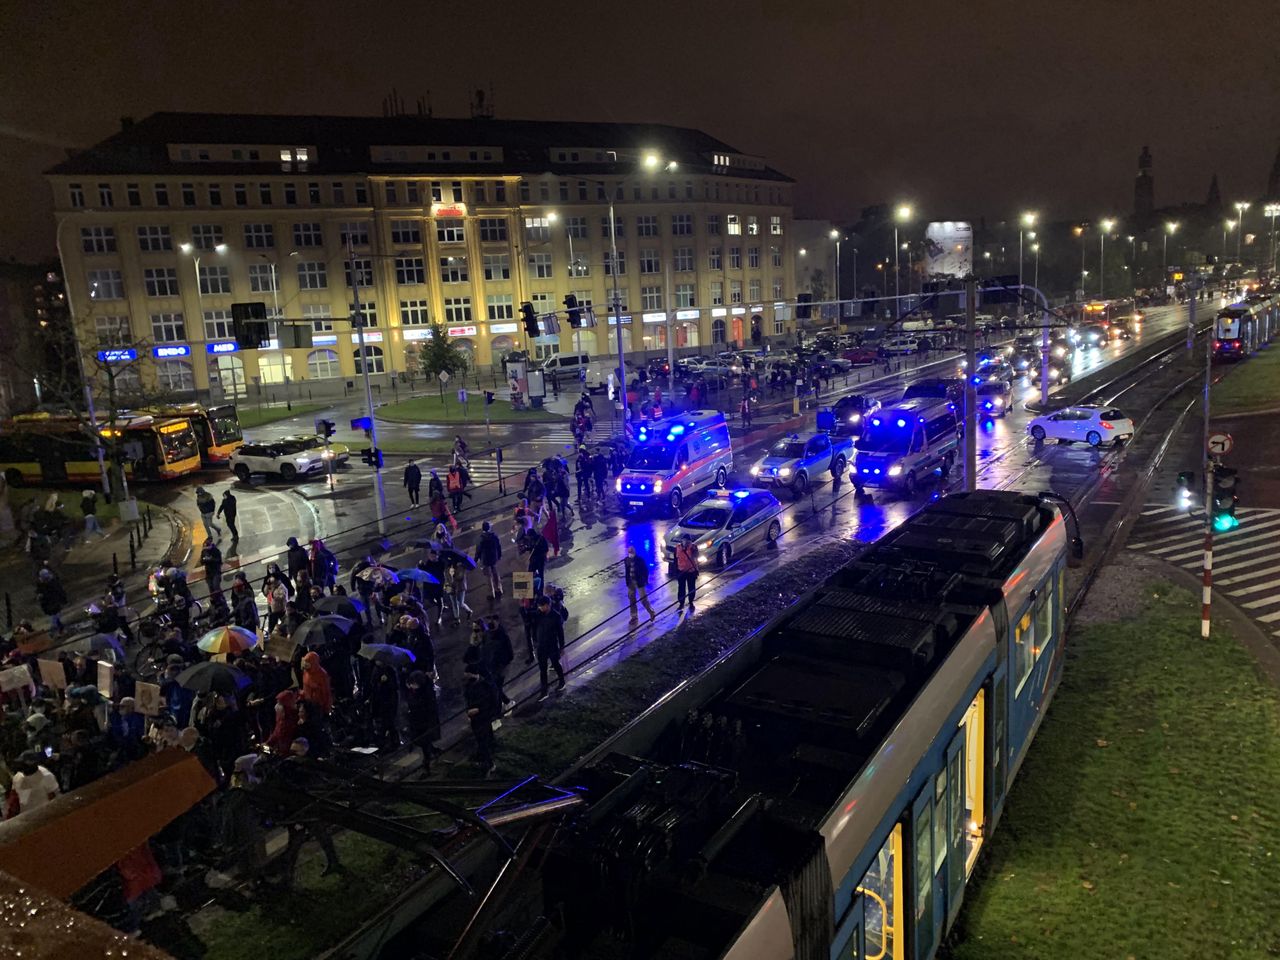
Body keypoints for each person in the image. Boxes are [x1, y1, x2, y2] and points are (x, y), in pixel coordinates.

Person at [463, 662, 500, 775]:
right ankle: (486, 758)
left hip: (483, 717)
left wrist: (478, 710)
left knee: (483, 740)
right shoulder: (470, 685)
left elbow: (490, 702)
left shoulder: (484, 686)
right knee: (483, 739)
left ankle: (489, 763)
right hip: (477, 718)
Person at [532, 595, 566, 702]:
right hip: (541, 647)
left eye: (542, 606)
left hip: (552, 646)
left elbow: (560, 633)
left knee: (555, 664)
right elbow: (533, 626)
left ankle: (562, 681)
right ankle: (544, 691)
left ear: (547, 605)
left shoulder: (556, 616)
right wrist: (535, 641)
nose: (540, 608)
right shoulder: (538, 615)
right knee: (542, 669)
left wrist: (562, 647)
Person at [404, 670, 440, 770]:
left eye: (414, 684)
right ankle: (433, 752)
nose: (412, 685)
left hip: (424, 723)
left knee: (425, 744)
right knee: (423, 743)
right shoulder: (415, 691)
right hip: (417, 722)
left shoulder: (426, 693)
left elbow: (426, 707)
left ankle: (427, 766)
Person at [478, 617, 515, 712]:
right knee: (495, 688)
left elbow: (510, 654)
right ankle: (505, 703)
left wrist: (502, 663)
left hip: (499, 667)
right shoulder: (488, 635)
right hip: (492, 667)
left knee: (496, 687)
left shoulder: (502, 637)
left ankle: (504, 706)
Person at [624, 545, 657, 622]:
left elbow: (645, 571)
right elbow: (627, 572)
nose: (630, 554)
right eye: (629, 552)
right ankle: (634, 616)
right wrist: (627, 582)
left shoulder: (639, 560)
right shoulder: (626, 560)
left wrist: (645, 580)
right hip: (631, 582)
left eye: (631, 552)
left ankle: (651, 612)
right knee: (632, 599)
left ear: (634, 552)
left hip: (639, 582)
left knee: (643, 600)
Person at [474, 520, 503, 599]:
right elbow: (498, 547)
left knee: (488, 577)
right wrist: (499, 555)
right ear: (489, 528)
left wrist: (475, 560)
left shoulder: (480, 539)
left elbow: (478, 551)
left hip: (485, 560)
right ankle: (499, 589)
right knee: (496, 574)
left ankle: (491, 593)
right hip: (494, 558)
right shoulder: (494, 536)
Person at [35, 567, 66, 635]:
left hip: (53, 603)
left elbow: (58, 591)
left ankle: (55, 630)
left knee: (55, 617)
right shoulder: (43, 584)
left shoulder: (51, 582)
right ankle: (60, 629)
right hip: (49, 603)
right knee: (55, 616)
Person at [300, 651, 333, 715]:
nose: (305, 664)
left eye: (308, 662)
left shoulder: (322, 675)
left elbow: (326, 692)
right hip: (308, 702)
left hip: (318, 705)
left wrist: (327, 706)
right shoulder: (306, 672)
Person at [675, 535, 700, 611]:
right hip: (681, 571)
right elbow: (675, 559)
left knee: (691, 587)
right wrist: (675, 570)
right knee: (681, 588)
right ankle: (681, 603)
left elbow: (696, 556)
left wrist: (692, 548)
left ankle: (691, 602)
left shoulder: (693, 548)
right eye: (684, 540)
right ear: (682, 540)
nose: (686, 542)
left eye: (688, 541)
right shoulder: (677, 548)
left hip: (691, 571)